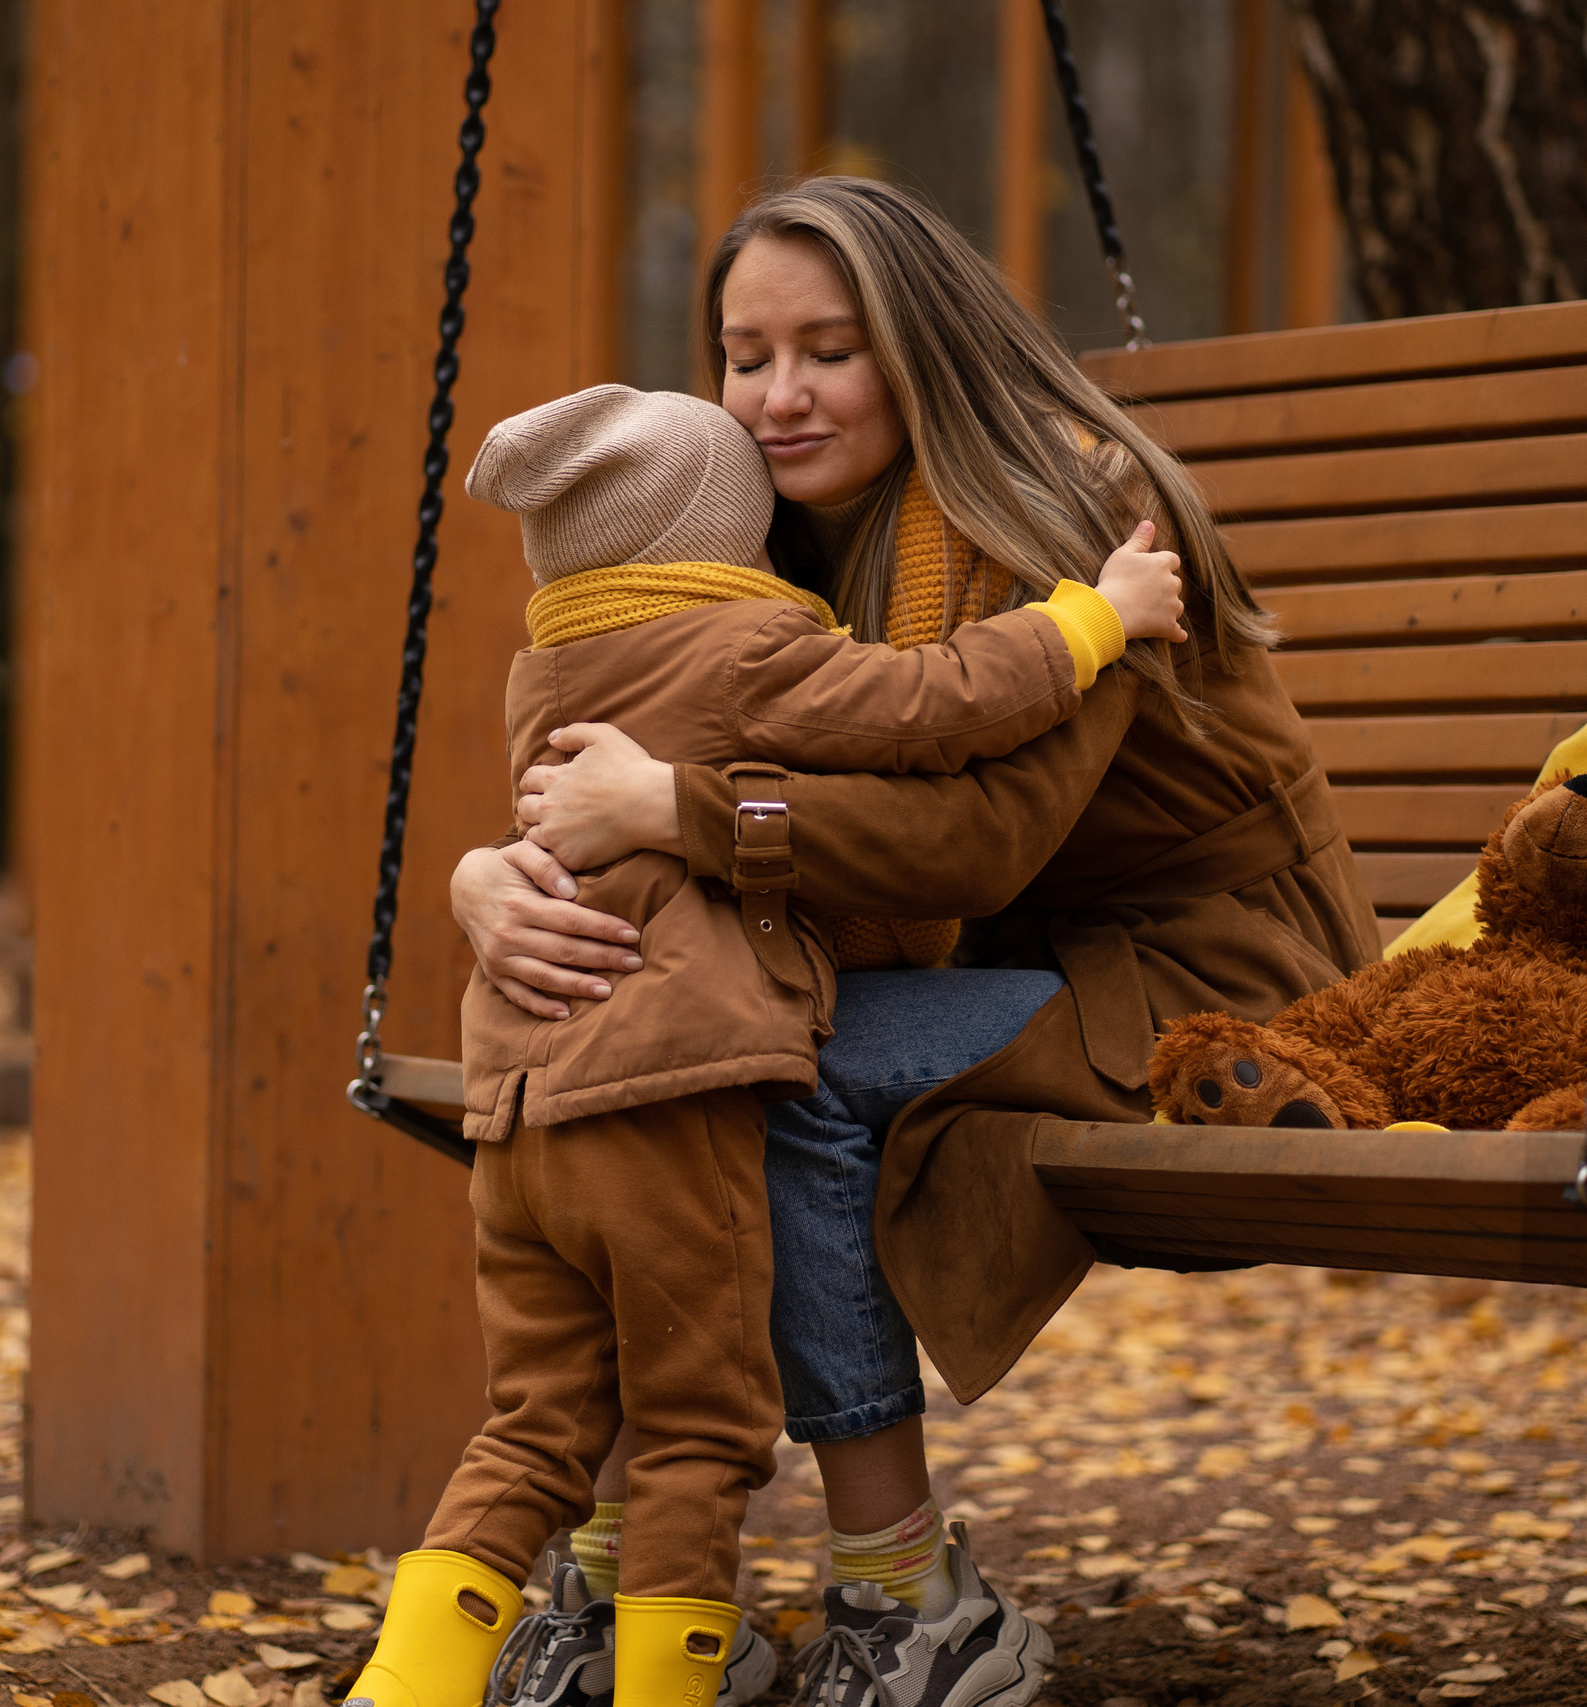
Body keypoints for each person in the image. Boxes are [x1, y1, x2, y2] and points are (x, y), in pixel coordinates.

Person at [451, 179, 1379, 1707]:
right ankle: (634, 1575)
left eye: (830, 348)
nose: (780, 394)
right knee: (636, 1062)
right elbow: (606, 771)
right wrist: (490, 880)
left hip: (1207, 978)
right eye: (747, 356)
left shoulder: (1072, 527)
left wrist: (682, 813)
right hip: (1003, 972)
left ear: (920, 342)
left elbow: (981, 842)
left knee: (768, 1074)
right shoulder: (768, 551)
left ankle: (910, 1596)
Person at [347, 380, 1185, 1707]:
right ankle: (672, 1677)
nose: (780, 386)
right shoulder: (743, 650)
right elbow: (937, 704)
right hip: (666, 1105)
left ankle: (408, 1687)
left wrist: (483, 870)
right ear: (719, 533)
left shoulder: (553, 664)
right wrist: (1095, 616)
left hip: (527, 1107)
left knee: (526, 1433)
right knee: (696, 1427)